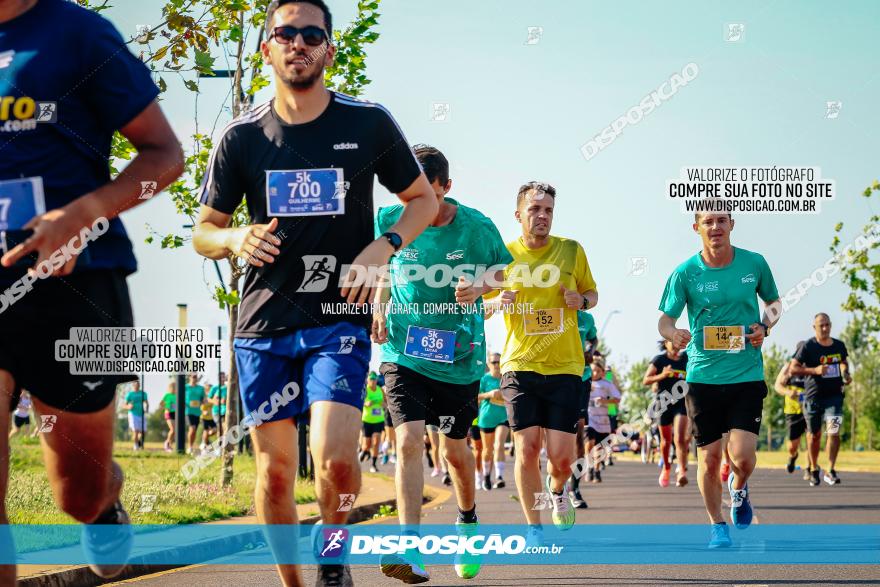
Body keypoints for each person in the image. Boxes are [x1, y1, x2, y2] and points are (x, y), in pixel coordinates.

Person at [192, 1, 437, 584]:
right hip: (263, 325)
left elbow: (422, 200)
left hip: (337, 319)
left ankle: (334, 561)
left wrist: (385, 246)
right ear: (266, 48)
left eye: (311, 34)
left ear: (328, 47)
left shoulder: (367, 122)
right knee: (276, 474)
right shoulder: (241, 136)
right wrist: (234, 236)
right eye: (285, 33)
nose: (298, 43)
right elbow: (202, 231)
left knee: (333, 460)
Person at [0, 1, 183, 581]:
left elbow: (165, 156)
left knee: (75, 495)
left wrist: (84, 214)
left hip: (75, 283)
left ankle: (103, 500)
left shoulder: (79, 33)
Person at [372, 144, 510, 582]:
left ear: (446, 188)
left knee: (454, 450)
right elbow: (379, 268)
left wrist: (480, 286)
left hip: (458, 356)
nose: (414, 208)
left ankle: (468, 520)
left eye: (425, 196)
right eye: (405, 196)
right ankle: (408, 546)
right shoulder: (387, 220)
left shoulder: (476, 226)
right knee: (410, 440)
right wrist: (377, 302)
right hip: (403, 349)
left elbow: (504, 272)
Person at [658, 212, 781, 549]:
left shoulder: (754, 263)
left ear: (731, 225)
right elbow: (665, 320)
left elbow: (773, 303)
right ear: (696, 227)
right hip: (703, 377)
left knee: (742, 458)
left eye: (721, 221)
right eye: (708, 222)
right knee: (710, 458)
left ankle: (739, 488)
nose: (715, 227)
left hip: (746, 374)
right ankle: (717, 525)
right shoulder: (685, 272)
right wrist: (675, 333)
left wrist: (764, 327)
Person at [492, 181, 598, 542]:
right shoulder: (502, 254)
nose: (542, 216)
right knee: (527, 448)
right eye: (535, 209)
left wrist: (580, 302)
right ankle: (533, 525)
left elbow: (592, 293)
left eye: (548, 210)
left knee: (561, 458)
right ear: (518, 214)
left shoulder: (571, 250)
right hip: (519, 364)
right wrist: (496, 302)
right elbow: (476, 301)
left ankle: (557, 491)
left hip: (565, 366)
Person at [789, 313, 851, 486]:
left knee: (833, 432)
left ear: (830, 325)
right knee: (814, 435)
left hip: (834, 397)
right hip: (813, 396)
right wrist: (814, 371)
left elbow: (843, 362)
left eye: (827, 325)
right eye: (821, 325)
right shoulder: (808, 346)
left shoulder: (839, 345)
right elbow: (793, 368)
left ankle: (830, 470)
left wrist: (846, 373)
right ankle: (814, 468)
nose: (824, 328)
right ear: (814, 327)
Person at [643, 340, 690, 487]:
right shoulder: (659, 359)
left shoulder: (686, 358)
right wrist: (662, 375)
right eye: (673, 342)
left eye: (679, 343)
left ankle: (681, 471)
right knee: (665, 441)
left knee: (681, 438)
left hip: (681, 403)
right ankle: (666, 468)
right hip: (663, 404)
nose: (676, 346)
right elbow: (646, 380)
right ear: (666, 343)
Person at [570, 310, 597, 509]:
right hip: (555, 377)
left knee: (578, 436)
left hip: (581, 378)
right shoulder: (554, 309)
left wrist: (590, 351)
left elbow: (593, 339)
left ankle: (575, 488)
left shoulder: (586, 318)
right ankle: (556, 483)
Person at [585, 357, 621, 483]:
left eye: (598, 371)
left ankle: (597, 470)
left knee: (599, 447)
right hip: (589, 419)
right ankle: (589, 467)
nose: (595, 373)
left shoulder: (607, 384)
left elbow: (617, 398)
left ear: (602, 372)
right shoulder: (585, 382)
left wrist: (604, 401)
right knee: (589, 444)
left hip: (602, 419)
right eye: (593, 370)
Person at [476, 352, 508, 490]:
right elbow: (475, 397)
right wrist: (489, 394)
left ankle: (499, 476)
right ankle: (487, 475)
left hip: (504, 416)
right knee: (487, 450)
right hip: (487, 418)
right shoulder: (484, 379)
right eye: (494, 362)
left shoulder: (507, 379)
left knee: (499, 444)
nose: (497, 365)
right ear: (488, 364)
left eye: (499, 362)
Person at [774, 356, 807, 475]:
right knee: (793, 445)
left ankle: (810, 468)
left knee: (812, 438)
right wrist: (789, 392)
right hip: (793, 411)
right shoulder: (788, 367)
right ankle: (793, 455)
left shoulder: (812, 365)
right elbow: (777, 386)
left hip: (811, 409)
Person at [361, 372, 384, 473]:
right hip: (367, 420)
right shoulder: (365, 390)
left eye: (375, 379)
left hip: (379, 420)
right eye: (371, 379)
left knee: (376, 442)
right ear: (368, 380)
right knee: (367, 444)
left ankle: (374, 464)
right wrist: (366, 403)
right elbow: (361, 401)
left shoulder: (380, 390)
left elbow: (386, 402)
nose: (373, 381)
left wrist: (384, 404)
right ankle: (365, 451)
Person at [184, 374, 206, 455]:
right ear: (189, 377)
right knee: (192, 428)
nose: (194, 378)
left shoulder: (201, 388)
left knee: (194, 431)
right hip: (188, 411)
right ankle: (189, 447)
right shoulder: (185, 387)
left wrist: (203, 401)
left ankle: (191, 446)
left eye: (196, 376)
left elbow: (203, 399)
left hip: (197, 412)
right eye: (193, 376)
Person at [124, 381, 148, 451]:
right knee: (136, 431)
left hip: (141, 414)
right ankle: (135, 445)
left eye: (138, 384)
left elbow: (146, 403)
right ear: (133, 385)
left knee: (143, 432)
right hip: (132, 413)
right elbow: (124, 405)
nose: (137, 386)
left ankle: (138, 442)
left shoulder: (143, 393)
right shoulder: (130, 394)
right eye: (135, 385)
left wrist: (147, 408)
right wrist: (128, 406)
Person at [162, 381, 176, 452]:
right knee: (172, 429)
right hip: (168, 413)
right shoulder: (167, 395)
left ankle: (169, 445)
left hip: (176, 413)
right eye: (173, 387)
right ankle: (167, 443)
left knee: (174, 431)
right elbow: (161, 403)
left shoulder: (177, 395)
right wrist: (166, 406)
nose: (175, 389)